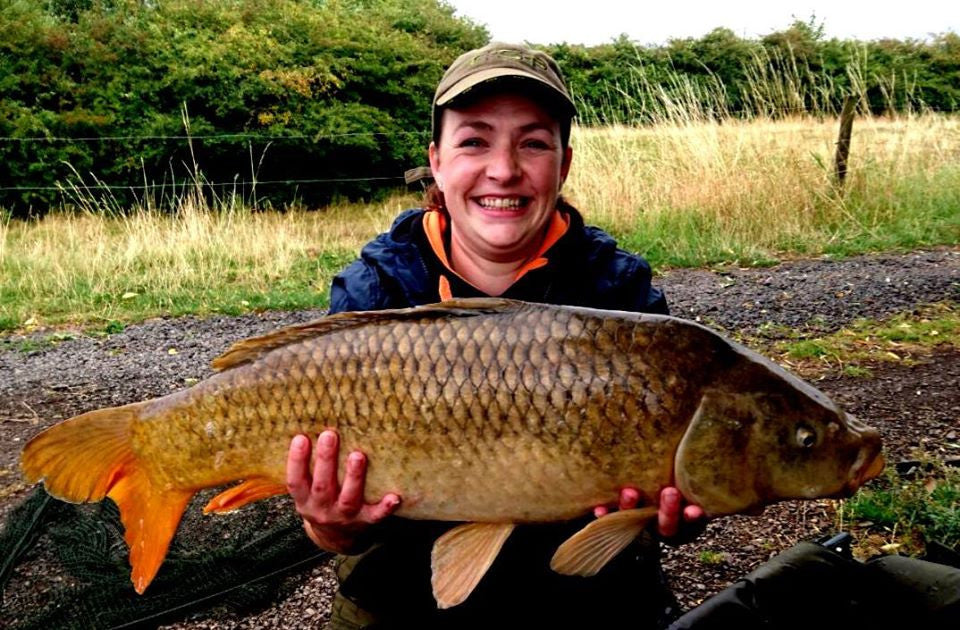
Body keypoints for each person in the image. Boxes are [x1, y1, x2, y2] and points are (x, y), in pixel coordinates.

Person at [285, 42, 704, 629]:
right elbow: (332, 529)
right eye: (474, 141)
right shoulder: (374, 291)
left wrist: (683, 511)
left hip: (584, 596)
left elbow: (689, 496)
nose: (503, 169)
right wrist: (331, 522)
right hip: (401, 594)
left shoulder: (618, 291)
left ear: (564, 165)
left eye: (533, 143)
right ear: (436, 160)